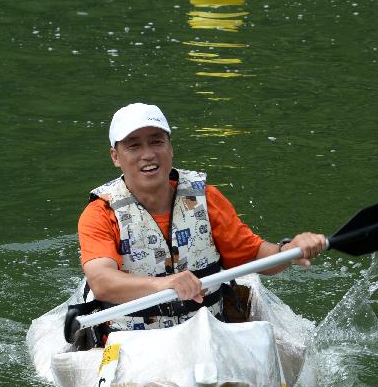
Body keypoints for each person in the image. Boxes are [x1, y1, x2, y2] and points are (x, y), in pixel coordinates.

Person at [78, 102, 326, 335]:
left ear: (170, 148)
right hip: (132, 342)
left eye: (156, 142)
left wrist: (289, 250)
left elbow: (259, 258)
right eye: (134, 146)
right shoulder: (101, 213)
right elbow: (102, 282)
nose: (148, 154)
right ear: (115, 156)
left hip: (208, 335)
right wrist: (165, 284)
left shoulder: (207, 199)